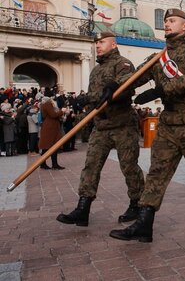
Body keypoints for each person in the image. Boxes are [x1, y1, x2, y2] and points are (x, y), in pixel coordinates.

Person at [109, 8, 185, 242]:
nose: (167, 24)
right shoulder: (159, 57)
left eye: (172, 21)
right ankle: (144, 223)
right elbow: (137, 75)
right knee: (157, 173)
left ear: (184, 26)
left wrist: (160, 90)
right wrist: (116, 87)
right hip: (168, 124)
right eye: (166, 21)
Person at [56, 32, 145, 227]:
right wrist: (85, 113)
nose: (98, 45)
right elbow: (95, 101)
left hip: (122, 125)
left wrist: (91, 96)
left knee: (129, 166)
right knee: (91, 166)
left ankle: (137, 203)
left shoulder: (123, 64)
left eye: (102, 42)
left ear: (113, 45)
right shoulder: (96, 70)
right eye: (96, 43)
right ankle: (83, 208)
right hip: (101, 126)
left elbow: (126, 88)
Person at [38, 91, 66, 169]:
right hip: (50, 127)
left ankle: (43, 164)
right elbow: (53, 115)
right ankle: (54, 164)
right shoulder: (47, 104)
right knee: (53, 146)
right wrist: (62, 111)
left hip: (49, 127)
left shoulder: (44, 104)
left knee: (46, 147)